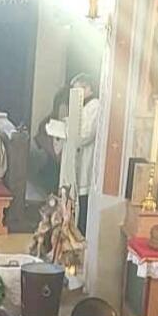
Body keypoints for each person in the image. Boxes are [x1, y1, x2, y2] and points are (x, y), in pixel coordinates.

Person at [65, 73, 101, 233]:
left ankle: (80, 234)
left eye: (78, 90)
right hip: (77, 156)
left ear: (88, 89)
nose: (75, 94)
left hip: (86, 158)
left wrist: (69, 129)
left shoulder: (95, 107)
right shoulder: (84, 107)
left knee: (83, 201)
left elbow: (85, 135)